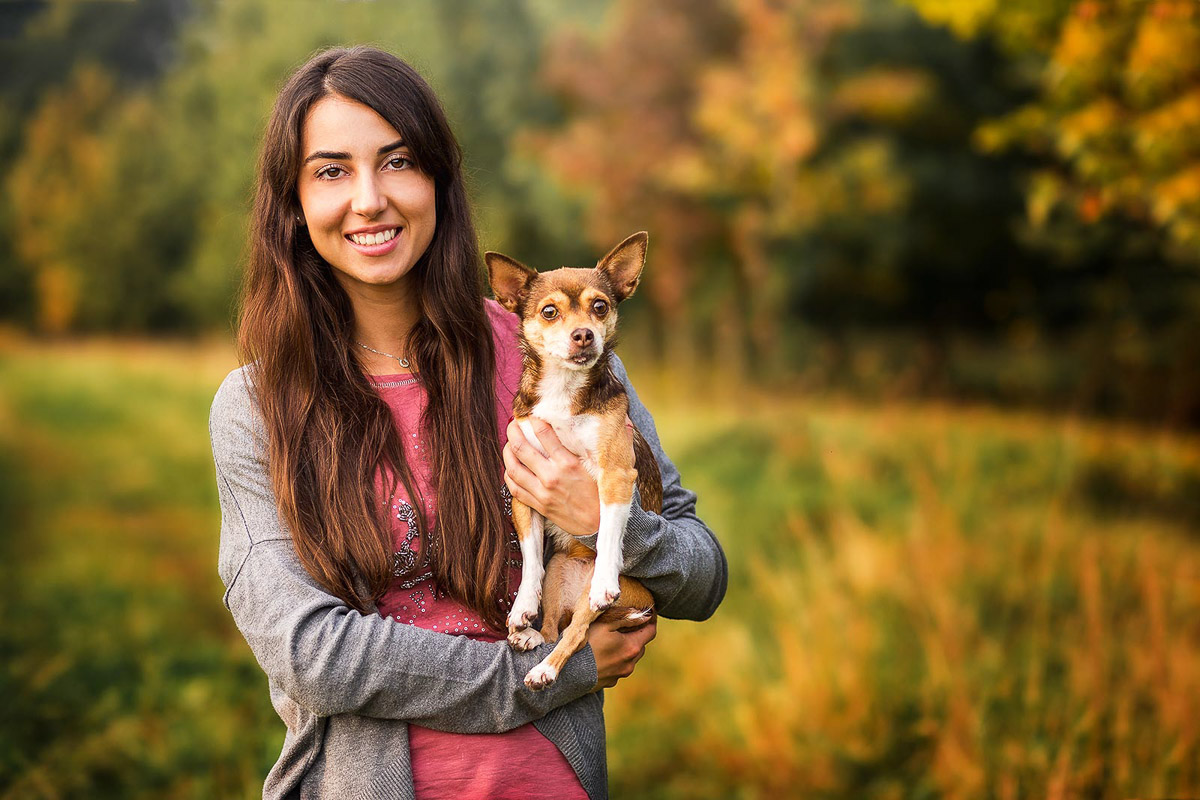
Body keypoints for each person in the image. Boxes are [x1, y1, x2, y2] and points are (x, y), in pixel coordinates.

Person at [208, 45, 726, 800]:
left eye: (398, 161)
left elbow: (703, 574)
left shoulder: (552, 353)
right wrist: (553, 673)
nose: (368, 199)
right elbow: (311, 653)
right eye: (331, 171)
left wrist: (605, 518)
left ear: (440, 182)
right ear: (292, 202)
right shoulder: (257, 406)